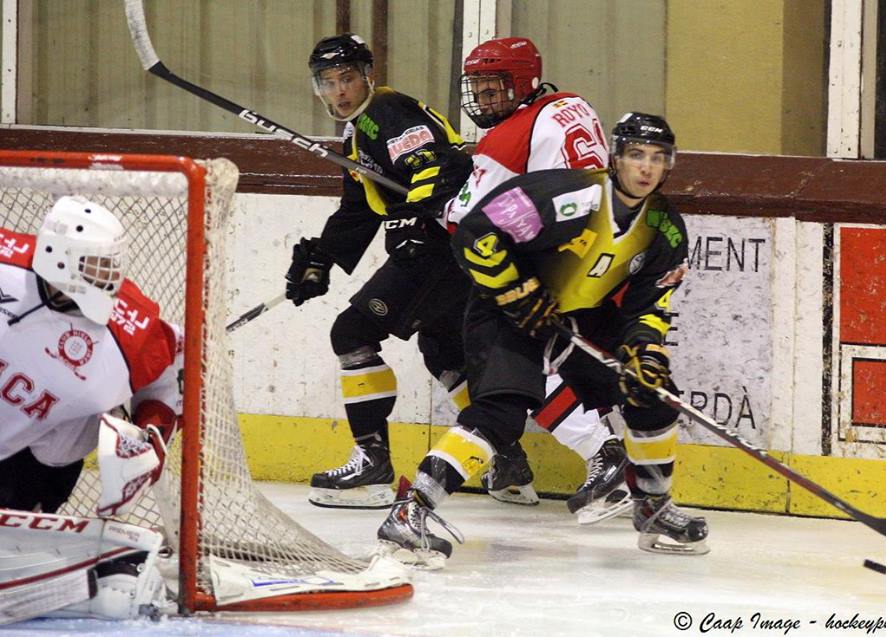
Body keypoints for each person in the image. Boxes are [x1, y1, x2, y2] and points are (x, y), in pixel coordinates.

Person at [377, 113, 709, 567]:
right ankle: (410, 512)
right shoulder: (572, 195)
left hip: (575, 315)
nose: (645, 168)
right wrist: (516, 290)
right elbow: (476, 231)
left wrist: (644, 350)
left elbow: (649, 306)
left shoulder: (665, 228)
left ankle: (653, 508)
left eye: (657, 158)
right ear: (616, 158)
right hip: (504, 309)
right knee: (499, 415)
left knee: (653, 391)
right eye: (636, 155)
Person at [286, 33, 473, 509]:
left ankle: (373, 464)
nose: (339, 91)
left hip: (439, 246)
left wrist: (415, 213)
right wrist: (322, 258)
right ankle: (509, 461)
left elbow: (437, 163)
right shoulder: (359, 130)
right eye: (328, 83)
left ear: (368, 76)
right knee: (444, 349)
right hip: (448, 250)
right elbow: (360, 209)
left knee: (351, 332)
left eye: (347, 78)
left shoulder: (385, 113)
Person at [446, 37, 627, 517]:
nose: (484, 101)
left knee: (524, 365)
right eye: (479, 91)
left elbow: (465, 221)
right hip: (604, 251)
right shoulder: (571, 106)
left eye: (493, 90)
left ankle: (605, 458)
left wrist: (441, 196)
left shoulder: (505, 138)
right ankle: (634, 478)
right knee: (578, 364)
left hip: (555, 260)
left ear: (523, 81)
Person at [0, 195, 182, 620]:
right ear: (57, 255)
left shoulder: (130, 326)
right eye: (97, 266)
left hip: (29, 464)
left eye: (111, 266)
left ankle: (79, 563)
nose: (110, 278)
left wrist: (149, 437)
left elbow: (164, 382)